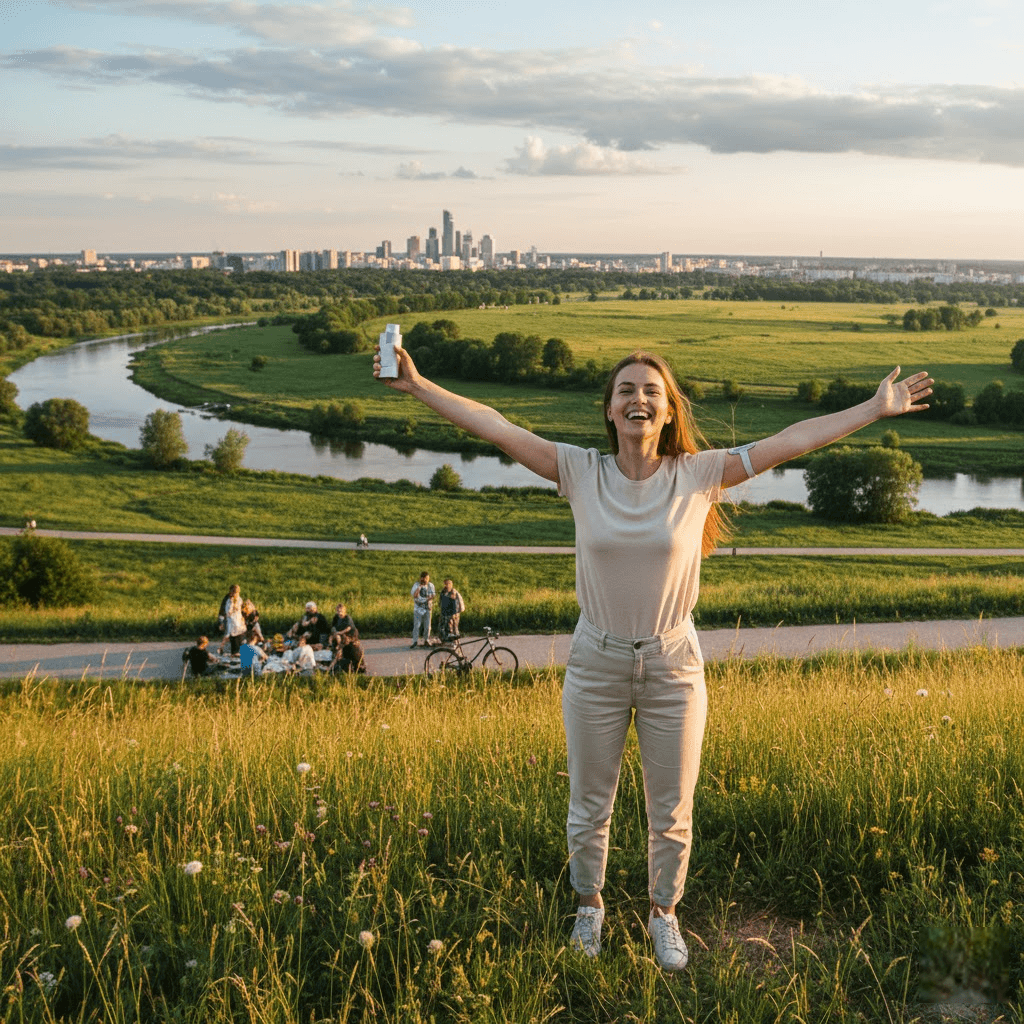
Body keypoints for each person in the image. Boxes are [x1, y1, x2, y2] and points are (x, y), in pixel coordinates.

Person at [376, 341, 932, 970]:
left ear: (667, 413)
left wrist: (873, 408)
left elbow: (792, 440)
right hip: (596, 661)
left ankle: (663, 914)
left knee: (671, 808)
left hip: (673, 665)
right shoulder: (579, 471)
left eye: (651, 392)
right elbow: (499, 427)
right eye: (625, 392)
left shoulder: (700, 474)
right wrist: (420, 387)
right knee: (590, 802)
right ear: (609, 412)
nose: (638, 399)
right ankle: (591, 908)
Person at [218, 584, 246, 656]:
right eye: (235, 592)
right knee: (229, 635)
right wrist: (221, 622)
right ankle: (222, 648)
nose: (237, 594)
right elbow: (223, 611)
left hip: (238, 621)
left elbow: (241, 609)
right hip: (230, 621)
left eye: (238, 592)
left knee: (239, 635)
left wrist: (243, 618)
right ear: (231, 592)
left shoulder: (239, 599)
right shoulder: (227, 600)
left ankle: (236, 651)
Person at [410, 571, 435, 648]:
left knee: (427, 625)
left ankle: (426, 640)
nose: (426, 580)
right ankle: (415, 641)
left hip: (427, 607)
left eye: (427, 579)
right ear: (421, 578)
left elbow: (432, 595)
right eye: (424, 579)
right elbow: (415, 595)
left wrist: (426, 599)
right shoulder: (416, 585)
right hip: (418, 608)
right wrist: (420, 587)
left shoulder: (431, 585)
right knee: (417, 625)